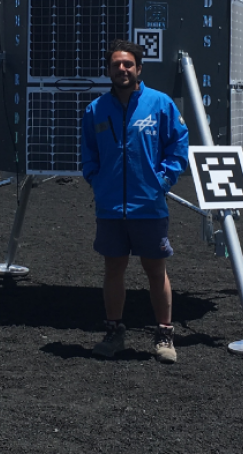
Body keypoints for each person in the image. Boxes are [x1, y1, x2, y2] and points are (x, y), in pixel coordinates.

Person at [81, 39, 189, 363]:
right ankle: (114, 333)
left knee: (156, 270)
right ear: (109, 70)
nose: (123, 69)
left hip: (149, 205)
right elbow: (88, 152)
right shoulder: (95, 110)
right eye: (116, 65)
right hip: (110, 207)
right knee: (113, 268)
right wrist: (95, 178)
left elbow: (178, 145)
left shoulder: (161, 105)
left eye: (128, 64)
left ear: (139, 68)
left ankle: (165, 336)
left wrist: (164, 179)